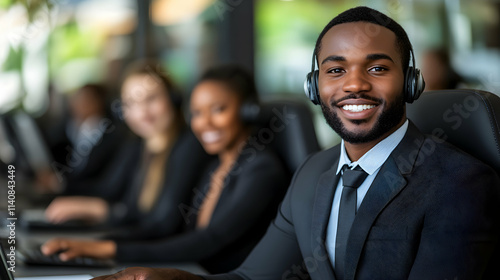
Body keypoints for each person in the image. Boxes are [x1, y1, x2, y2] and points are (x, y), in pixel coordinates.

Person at [90, 6, 500, 280]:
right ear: (314, 85)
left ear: (411, 82)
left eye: (376, 67)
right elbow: (251, 279)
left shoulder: (459, 184)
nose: (354, 84)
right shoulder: (314, 172)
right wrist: (162, 278)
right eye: (335, 70)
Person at [42, 65, 289, 273]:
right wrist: (96, 244)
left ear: (248, 110)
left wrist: (108, 249)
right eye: (197, 113)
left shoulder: (261, 170)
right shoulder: (216, 166)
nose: (205, 123)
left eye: (218, 109)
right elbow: (176, 233)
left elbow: (208, 240)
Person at [43, 61, 211, 230]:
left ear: (174, 99)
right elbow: (108, 189)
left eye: (151, 99)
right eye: (131, 103)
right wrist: (62, 187)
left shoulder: (189, 147)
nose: (142, 112)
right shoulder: (138, 146)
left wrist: (97, 211)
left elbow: (163, 222)